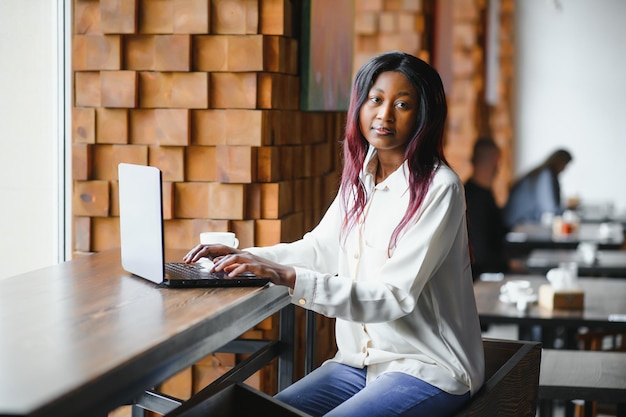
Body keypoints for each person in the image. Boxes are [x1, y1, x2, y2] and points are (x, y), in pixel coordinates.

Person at [184, 51, 484, 417]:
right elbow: (319, 249)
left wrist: (287, 276)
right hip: (358, 365)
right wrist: (247, 259)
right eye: (376, 99)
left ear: (424, 116)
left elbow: (392, 298)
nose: (384, 114)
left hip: (427, 369)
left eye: (402, 104)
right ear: (360, 104)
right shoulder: (363, 178)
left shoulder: (440, 188)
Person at [464, 138, 509, 280]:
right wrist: (509, 265)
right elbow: (480, 254)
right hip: (482, 276)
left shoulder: (481, 193)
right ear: (494, 162)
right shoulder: (475, 199)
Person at [503, 149, 573, 228]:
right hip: (518, 224)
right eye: (565, 164)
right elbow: (549, 208)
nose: (564, 169)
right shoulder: (546, 175)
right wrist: (568, 211)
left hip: (519, 221)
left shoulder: (541, 173)